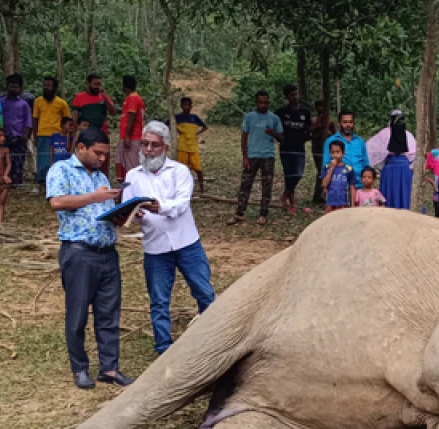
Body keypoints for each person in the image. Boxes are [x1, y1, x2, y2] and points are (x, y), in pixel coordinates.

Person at [46, 127, 132, 389]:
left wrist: (122, 215)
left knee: (109, 312)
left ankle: (109, 368)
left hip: (107, 252)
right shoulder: (61, 170)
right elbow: (57, 202)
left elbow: (102, 212)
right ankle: (80, 369)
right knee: (78, 313)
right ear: (81, 148)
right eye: (98, 153)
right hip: (79, 253)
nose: (102, 159)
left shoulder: (100, 177)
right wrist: (94, 197)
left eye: (105, 154)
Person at [123, 121, 215, 356]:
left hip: (186, 242)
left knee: (204, 292)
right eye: (145, 144)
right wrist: (135, 214)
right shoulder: (132, 176)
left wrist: (158, 207)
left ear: (165, 147)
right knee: (159, 301)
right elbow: (128, 209)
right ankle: (163, 348)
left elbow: (181, 204)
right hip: (155, 247)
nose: (149, 150)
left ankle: (213, 340)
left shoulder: (180, 171)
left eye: (154, 145)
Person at [228, 90, 283, 227]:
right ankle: (239, 213)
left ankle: (263, 214)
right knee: (245, 185)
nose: (263, 105)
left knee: (267, 186)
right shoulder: (249, 117)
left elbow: (281, 138)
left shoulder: (274, 118)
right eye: (260, 102)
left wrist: (272, 133)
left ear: (268, 102)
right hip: (252, 156)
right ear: (256, 102)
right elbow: (244, 137)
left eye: (265, 102)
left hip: (268, 156)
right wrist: (244, 156)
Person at [367, 110, 416, 211]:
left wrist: (410, 167)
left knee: (405, 195)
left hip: (404, 171)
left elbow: (414, 154)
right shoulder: (384, 134)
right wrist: (382, 164)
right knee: (389, 197)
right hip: (390, 170)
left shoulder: (408, 135)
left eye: (401, 119)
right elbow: (370, 149)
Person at [275, 85, 312, 214]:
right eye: (292, 95)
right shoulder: (281, 112)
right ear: (287, 97)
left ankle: (284, 195)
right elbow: (275, 129)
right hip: (285, 148)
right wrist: (278, 137)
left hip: (299, 148)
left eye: (296, 94)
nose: (295, 97)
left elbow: (308, 129)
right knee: (288, 175)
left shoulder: (305, 112)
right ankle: (292, 204)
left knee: (298, 174)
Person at [71, 74, 117, 175]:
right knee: (87, 161)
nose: (98, 87)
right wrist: (78, 128)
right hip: (87, 135)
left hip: (102, 134)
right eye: (95, 84)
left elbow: (113, 112)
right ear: (88, 84)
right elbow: (74, 117)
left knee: (103, 161)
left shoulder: (104, 97)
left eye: (99, 84)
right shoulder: (79, 97)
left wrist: (105, 98)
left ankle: (103, 181)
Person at [32, 76, 70, 187]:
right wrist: (35, 136)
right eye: (45, 85)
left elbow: (67, 121)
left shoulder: (62, 103)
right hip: (42, 134)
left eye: (49, 85)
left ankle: (56, 180)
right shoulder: (37, 101)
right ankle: (41, 182)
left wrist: (67, 136)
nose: (46, 88)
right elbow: (35, 119)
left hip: (58, 135)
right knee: (42, 158)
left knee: (56, 158)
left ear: (55, 88)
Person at [321, 110, 368, 190]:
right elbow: (326, 165)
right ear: (339, 123)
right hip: (339, 186)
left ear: (353, 123)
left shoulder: (360, 141)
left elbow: (366, 164)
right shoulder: (331, 141)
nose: (348, 125)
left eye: (350, 122)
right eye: (345, 122)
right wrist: (325, 187)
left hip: (359, 186)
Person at [0, 74, 32, 187]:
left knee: (19, 159)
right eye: (11, 86)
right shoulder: (1, 102)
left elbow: (28, 120)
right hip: (4, 136)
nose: (13, 89)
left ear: (20, 89)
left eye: (16, 87)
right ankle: (5, 181)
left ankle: (17, 182)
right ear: (7, 87)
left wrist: (26, 134)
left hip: (19, 136)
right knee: (5, 159)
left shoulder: (24, 104)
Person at [174, 97, 208, 191]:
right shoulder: (177, 117)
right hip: (182, 147)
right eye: (185, 105)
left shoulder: (194, 117)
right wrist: (177, 130)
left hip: (193, 147)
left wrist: (196, 133)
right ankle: (181, 188)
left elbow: (205, 127)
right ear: (181, 106)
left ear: (191, 106)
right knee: (181, 169)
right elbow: (168, 124)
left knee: (198, 169)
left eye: (188, 105)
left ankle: (202, 189)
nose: (187, 107)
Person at [115, 75, 145, 182]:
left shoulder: (132, 98)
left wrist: (127, 136)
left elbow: (131, 117)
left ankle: (132, 187)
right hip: (128, 136)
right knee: (123, 163)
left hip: (133, 137)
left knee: (131, 166)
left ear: (124, 87)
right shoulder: (132, 98)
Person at [309, 100, 335, 205]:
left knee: (326, 171)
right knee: (320, 171)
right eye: (319, 107)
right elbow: (310, 131)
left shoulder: (330, 122)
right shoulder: (314, 120)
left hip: (327, 149)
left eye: (322, 107)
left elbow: (334, 134)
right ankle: (317, 196)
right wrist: (318, 124)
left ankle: (323, 195)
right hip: (317, 148)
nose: (321, 109)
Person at [321, 139, 356, 212]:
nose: (335, 155)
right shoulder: (327, 168)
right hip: (330, 203)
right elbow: (324, 184)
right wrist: (332, 168)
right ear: (330, 153)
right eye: (332, 152)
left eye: (337, 152)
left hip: (344, 203)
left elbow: (352, 187)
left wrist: (353, 205)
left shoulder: (348, 169)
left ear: (343, 153)